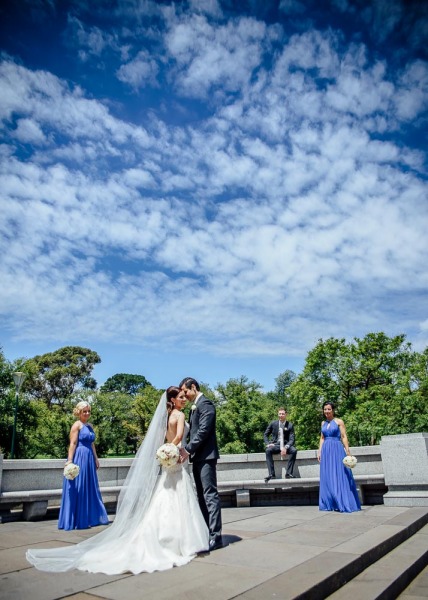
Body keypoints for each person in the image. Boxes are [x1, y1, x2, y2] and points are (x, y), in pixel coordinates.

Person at [26, 387, 209, 574]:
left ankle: (162, 535)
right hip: (176, 457)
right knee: (178, 498)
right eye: (180, 397)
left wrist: (165, 450)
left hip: (169, 458)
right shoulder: (178, 415)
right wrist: (173, 449)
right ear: (173, 399)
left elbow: (163, 436)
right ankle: (180, 540)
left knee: (165, 498)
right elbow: (178, 436)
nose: (184, 399)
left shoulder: (167, 415)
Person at [179, 377, 223, 551]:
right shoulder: (195, 407)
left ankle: (216, 536)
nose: (185, 395)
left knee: (210, 495)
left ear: (194, 387)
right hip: (197, 457)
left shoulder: (206, 404)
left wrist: (188, 449)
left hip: (206, 457)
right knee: (201, 497)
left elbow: (203, 431)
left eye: (186, 391)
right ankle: (205, 532)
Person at [59, 400, 109, 530]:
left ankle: (88, 518)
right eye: (84, 411)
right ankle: (77, 519)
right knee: (79, 487)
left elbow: (92, 443)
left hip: (89, 459)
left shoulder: (90, 426)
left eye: (88, 411)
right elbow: (73, 444)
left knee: (88, 487)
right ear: (79, 412)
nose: (87, 413)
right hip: (79, 457)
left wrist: (96, 458)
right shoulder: (77, 425)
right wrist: (69, 461)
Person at [317, 401, 361, 513]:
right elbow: (322, 438)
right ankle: (330, 502)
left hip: (336, 449)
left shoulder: (338, 422)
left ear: (333, 410)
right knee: (327, 476)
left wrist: (348, 451)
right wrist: (319, 451)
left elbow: (343, 436)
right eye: (325, 409)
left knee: (339, 474)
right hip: (326, 450)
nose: (327, 411)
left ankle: (343, 501)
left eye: (329, 409)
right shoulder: (323, 423)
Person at [263, 407, 297, 482]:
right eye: (279, 414)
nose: (281, 415)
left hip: (286, 445)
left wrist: (286, 447)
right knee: (268, 450)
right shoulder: (273, 423)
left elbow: (292, 439)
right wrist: (268, 444)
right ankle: (272, 474)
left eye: (282, 414)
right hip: (276, 445)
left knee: (294, 450)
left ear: (286, 415)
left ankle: (288, 473)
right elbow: (265, 434)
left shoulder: (290, 425)